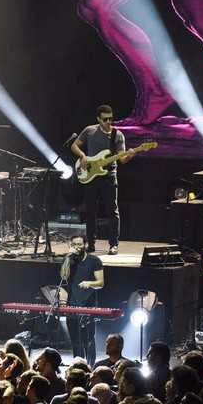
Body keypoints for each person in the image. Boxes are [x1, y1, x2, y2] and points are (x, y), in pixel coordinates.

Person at [71, 105, 131, 255]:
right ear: (98, 119)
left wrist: (130, 154)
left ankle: (114, 244)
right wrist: (82, 156)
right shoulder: (89, 131)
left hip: (109, 175)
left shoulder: (118, 135)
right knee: (90, 211)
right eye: (105, 119)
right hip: (91, 175)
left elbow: (122, 159)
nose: (109, 122)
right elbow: (74, 146)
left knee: (113, 210)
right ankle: (90, 244)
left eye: (111, 118)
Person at [59, 234, 104, 366]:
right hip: (72, 304)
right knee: (75, 340)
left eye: (79, 244)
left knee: (88, 340)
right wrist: (67, 257)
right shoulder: (68, 260)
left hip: (89, 305)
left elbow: (101, 283)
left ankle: (90, 366)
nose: (77, 247)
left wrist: (89, 283)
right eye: (74, 245)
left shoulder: (94, 261)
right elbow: (63, 276)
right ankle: (77, 366)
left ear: (86, 245)